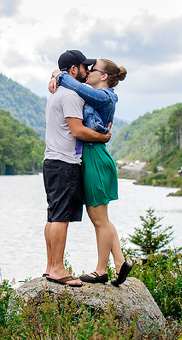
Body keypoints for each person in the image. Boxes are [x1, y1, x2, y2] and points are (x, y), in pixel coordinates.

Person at [49, 58, 133, 286]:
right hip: (91, 156)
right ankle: (120, 262)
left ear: (104, 76)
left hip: (95, 156)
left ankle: (100, 271)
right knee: (101, 218)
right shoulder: (93, 94)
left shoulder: (105, 96)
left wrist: (59, 74)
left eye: (93, 70)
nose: (88, 73)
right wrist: (55, 74)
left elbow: (74, 85)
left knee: (98, 219)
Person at [42, 50, 112, 288]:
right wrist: (104, 137)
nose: (88, 70)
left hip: (51, 161)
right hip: (65, 163)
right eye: (84, 66)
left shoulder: (55, 93)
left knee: (53, 215)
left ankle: (51, 266)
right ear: (73, 70)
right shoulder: (72, 96)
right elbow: (78, 131)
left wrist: (55, 75)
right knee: (61, 217)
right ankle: (58, 270)